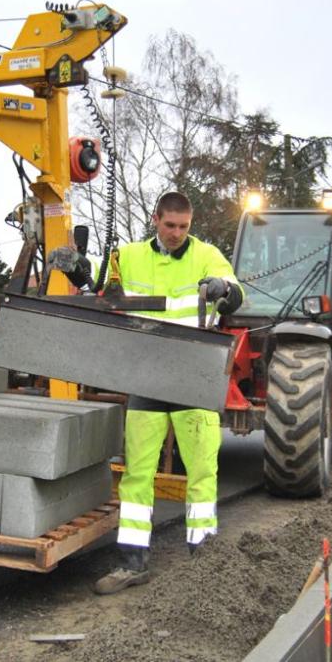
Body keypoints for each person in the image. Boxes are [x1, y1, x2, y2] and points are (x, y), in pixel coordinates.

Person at [92, 191, 244, 595]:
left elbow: (235, 290)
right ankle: (131, 564)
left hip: (193, 375)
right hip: (147, 377)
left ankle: (204, 559)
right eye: (170, 225)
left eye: (183, 227)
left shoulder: (207, 255)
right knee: (137, 473)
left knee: (202, 471)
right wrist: (75, 269)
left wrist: (222, 289)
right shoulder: (127, 257)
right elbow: (97, 293)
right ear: (155, 219)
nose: (177, 233)